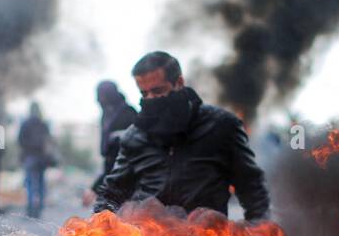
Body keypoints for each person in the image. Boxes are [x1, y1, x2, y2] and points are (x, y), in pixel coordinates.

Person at [93, 50, 269, 221]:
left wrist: (260, 233)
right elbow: (112, 191)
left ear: (179, 83)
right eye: (144, 93)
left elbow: (251, 188)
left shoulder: (221, 126)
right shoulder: (135, 136)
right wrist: (100, 226)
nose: (151, 99)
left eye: (158, 91)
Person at [18, 102, 53, 219]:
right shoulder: (43, 124)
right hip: (42, 158)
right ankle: (39, 209)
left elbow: (20, 140)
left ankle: (31, 209)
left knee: (30, 184)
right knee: (41, 184)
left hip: (30, 157)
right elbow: (49, 141)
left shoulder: (26, 124)